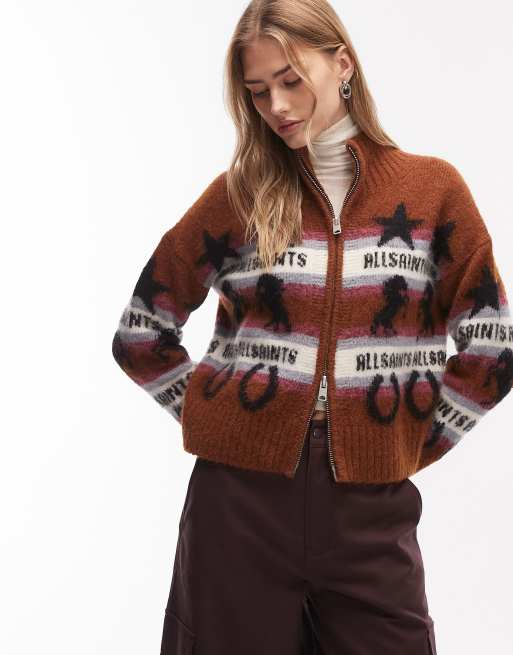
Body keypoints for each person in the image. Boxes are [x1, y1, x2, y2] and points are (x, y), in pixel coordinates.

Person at [111, 1, 513, 653]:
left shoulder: (432, 191)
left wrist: (407, 441)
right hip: (237, 506)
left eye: (291, 80)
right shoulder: (239, 195)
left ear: (342, 64)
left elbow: (492, 349)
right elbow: (140, 333)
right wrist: (222, 420)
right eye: (257, 90)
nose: (277, 105)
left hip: (371, 512)